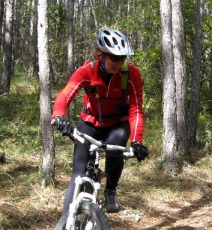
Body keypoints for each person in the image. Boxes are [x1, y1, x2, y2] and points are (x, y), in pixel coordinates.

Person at [51, 28, 148, 213]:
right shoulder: (87, 71)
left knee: (116, 144)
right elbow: (65, 95)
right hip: (90, 122)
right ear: (101, 55)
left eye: (122, 58)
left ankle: (110, 190)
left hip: (117, 124)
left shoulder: (131, 75)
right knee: (78, 175)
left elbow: (136, 110)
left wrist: (137, 142)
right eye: (113, 58)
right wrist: (59, 116)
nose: (118, 63)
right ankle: (65, 228)